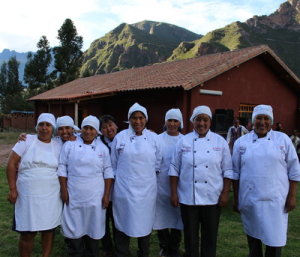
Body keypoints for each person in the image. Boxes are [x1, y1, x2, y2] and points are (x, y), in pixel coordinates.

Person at [232, 105, 300, 257]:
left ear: (271, 121)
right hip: (251, 200)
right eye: (258, 118)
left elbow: (294, 170)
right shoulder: (242, 142)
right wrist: (236, 198)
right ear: (252, 120)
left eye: (266, 118)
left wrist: (292, 196)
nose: (262, 122)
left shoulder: (282, 139)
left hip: (276, 201)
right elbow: (235, 173)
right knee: (254, 242)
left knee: (274, 242)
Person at [169, 105, 233, 257]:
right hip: (188, 198)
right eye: (198, 119)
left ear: (210, 122)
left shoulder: (220, 142)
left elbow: (228, 170)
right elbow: (173, 169)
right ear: (193, 121)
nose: (202, 123)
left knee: (210, 237)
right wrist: (174, 193)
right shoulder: (183, 141)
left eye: (205, 120)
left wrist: (225, 193)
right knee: (190, 237)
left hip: (212, 198)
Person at [6, 113, 62, 257]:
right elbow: (11, 164)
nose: (44, 128)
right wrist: (12, 189)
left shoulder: (58, 145)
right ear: (36, 127)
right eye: (41, 125)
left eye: (48, 125)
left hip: (50, 195)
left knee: (48, 229)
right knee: (27, 232)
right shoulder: (26, 140)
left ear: (53, 128)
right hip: (27, 195)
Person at [58, 115, 114, 257]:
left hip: (95, 196)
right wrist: (64, 191)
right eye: (85, 128)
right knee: (74, 226)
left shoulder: (102, 148)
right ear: (81, 129)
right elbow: (62, 167)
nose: (88, 132)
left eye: (92, 128)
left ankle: (92, 252)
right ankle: (76, 252)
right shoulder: (70, 144)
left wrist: (107, 195)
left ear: (96, 131)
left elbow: (108, 172)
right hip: (74, 194)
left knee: (93, 226)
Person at [111, 102, 162, 257]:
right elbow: (113, 164)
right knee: (122, 222)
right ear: (129, 119)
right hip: (124, 190)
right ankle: (122, 252)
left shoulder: (154, 138)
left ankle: (143, 252)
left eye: (141, 118)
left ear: (146, 119)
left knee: (144, 223)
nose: (137, 121)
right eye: (134, 118)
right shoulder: (120, 138)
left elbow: (158, 163)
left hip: (146, 191)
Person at [154, 108, 184, 257]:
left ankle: (174, 246)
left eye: (175, 121)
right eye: (170, 120)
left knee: (178, 219)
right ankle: (164, 246)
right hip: (161, 185)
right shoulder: (157, 139)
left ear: (180, 122)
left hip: (180, 186)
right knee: (161, 217)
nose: (172, 124)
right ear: (165, 122)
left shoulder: (185, 140)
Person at [99, 114, 118, 257]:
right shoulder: (98, 143)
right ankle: (108, 248)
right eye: (104, 127)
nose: (109, 129)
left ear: (116, 126)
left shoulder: (124, 140)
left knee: (118, 219)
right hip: (103, 189)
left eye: (110, 125)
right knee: (104, 220)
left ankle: (120, 247)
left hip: (119, 189)